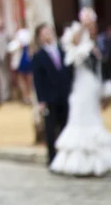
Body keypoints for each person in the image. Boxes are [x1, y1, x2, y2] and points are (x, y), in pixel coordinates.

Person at [50, 7, 111, 176]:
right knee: (79, 120)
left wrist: (105, 93)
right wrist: (82, 27)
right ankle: (77, 164)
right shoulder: (77, 38)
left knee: (94, 119)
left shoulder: (96, 44)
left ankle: (98, 162)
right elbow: (72, 43)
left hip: (93, 87)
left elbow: (102, 70)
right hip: (80, 87)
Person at [31, 23, 72, 165]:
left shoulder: (63, 51)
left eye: (49, 32)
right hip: (49, 97)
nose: (48, 35)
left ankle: (65, 157)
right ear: (39, 37)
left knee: (65, 126)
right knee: (50, 129)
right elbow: (37, 80)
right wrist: (41, 100)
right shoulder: (38, 56)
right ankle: (52, 158)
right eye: (44, 33)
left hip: (64, 95)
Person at [8, 26, 33, 104]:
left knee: (28, 79)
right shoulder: (18, 43)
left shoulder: (29, 44)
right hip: (21, 61)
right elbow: (9, 49)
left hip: (27, 61)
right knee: (23, 79)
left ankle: (28, 95)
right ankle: (25, 96)